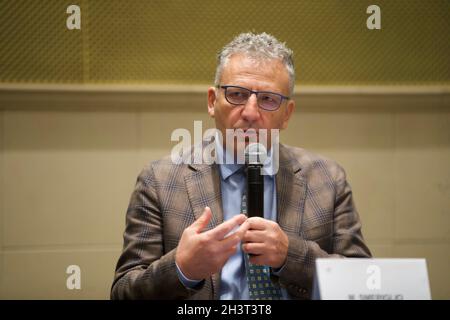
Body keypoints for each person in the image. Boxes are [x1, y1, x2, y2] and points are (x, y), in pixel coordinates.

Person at [111, 32, 371, 300]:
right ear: (212, 102)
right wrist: (181, 268)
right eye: (237, 94)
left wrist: (289, 255)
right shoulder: (159, 180)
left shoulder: (328, 179)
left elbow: (364, 283)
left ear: (287, 114)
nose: (249, 113)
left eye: (268, 99)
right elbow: (123, 293)